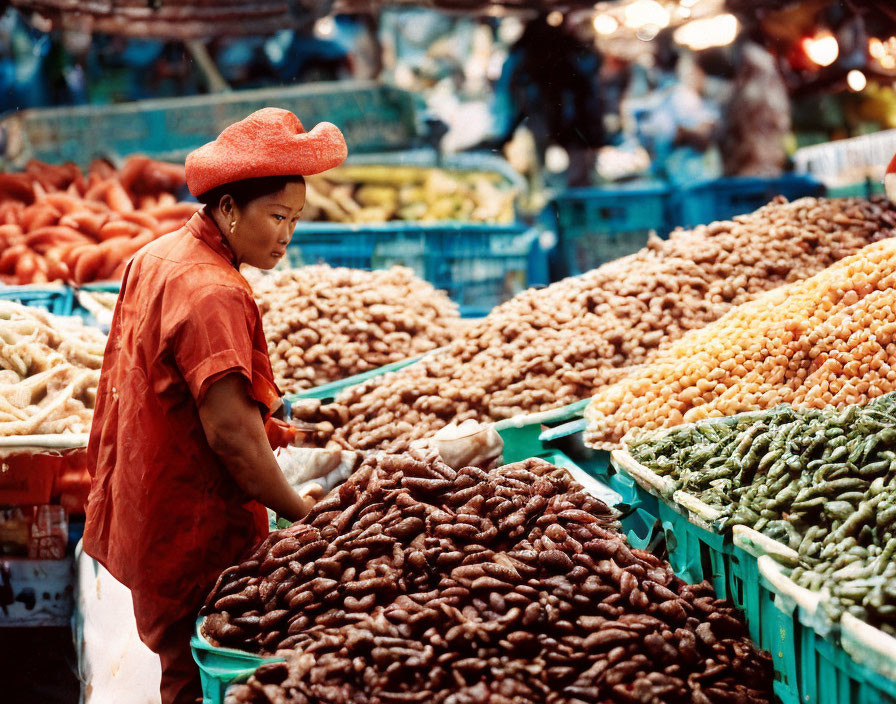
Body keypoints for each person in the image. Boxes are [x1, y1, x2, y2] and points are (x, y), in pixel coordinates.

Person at [83, 108, 348, 704]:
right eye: (277, 217)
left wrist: (277, 430)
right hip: (192, 528)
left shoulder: (157, 256)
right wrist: (309, 518)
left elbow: (171, 391)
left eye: (296, 220)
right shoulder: (214, 292)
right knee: (191, 676)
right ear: (228, 208)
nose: (287, 235)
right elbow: (231, 438)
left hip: (149, 505)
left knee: (180, 660)